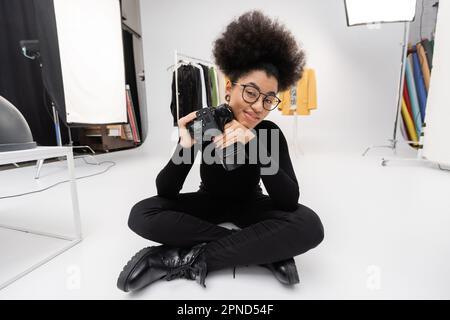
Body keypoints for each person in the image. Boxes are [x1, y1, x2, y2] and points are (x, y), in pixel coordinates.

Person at [117, 10, 324, 293]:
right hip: (208, 203)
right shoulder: (207, 125)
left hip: (251, 205)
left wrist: (255, 145)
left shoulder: (269, 133)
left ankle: (173, 259)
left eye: (268, 99)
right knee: (141, 213)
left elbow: (288, 200)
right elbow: (165, 191)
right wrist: (185, 147)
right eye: (251, 92)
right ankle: (263, 253)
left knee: (309, 225)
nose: (258, 106)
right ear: (229, 89)